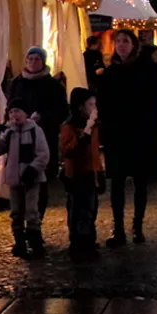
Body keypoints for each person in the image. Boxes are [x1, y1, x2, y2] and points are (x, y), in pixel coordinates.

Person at [96, 29, 157, 245]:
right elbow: (102, 104)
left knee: (139, 182)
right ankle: (118, 229)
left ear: (133, 45)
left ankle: (137, 226)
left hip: (139, 134)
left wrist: (152, 131)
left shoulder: (146, 71)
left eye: (125, 41)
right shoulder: (109, 73)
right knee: (116, 184)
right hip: (116, 136)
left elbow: (155, 103)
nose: (121, 45)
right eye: (118, 42)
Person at [0, 105, 51, 258]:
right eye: (11, 112)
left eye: (17, 111)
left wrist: (33, 169)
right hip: (14, 178)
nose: (14, 115)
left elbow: (43, 154)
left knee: (31, 211)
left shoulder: (35, 130)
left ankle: (35, 243)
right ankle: (20, 243)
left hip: (31, 178)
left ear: (25, 113)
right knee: (16, 212)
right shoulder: (9, 132)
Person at [59, 87, 104, 261]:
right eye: (90, 104)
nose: (94, 108)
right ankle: (79, 244)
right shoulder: (70, 126)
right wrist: (85, 131)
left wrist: (99, 171)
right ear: (81, 107)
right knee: (79, 210)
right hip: (76, 174)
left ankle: (88, 241)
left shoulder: (95, 127)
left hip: (90, 172)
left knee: (90, 209)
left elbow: (95, 153)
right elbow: (68, 150)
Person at [6, 46, 69, 171]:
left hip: (45, 134)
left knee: (44, 172)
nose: (32, 62)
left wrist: (43, 116)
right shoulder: (17, 83)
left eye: (37, 59)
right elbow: (9, 107)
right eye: (30, 59)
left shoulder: (53, 85)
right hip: (20, 135)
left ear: (43, 62)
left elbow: (62, 110)